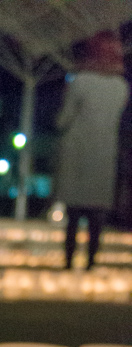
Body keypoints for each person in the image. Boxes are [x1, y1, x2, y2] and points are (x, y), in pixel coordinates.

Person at [55, 30, 128, 270]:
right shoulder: (121, 87)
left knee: (73, 216)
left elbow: (63, 120)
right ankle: (91, 262)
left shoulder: (80, 82)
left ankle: (68, 262)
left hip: (77, 155)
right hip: (104, 157)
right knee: (96, 217)